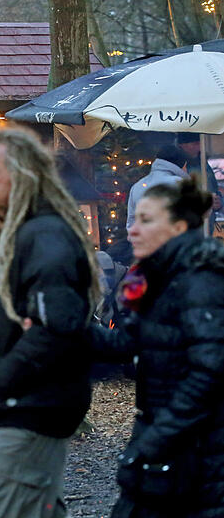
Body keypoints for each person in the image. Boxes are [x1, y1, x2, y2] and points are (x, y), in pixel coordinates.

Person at [0, 127, 100, 518]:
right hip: (25, 409)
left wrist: (0, 382)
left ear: (23, 174)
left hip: (33, 411)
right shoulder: (18, 233)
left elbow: (55, 327)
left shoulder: (45, 236)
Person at [89, 175, 224, 518]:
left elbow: (209, 372)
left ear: (178, 228)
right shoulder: (152, 278)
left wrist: (158, 436)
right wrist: (65, 330)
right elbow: (127, 344)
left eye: (146, 221)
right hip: (166, 446)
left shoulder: (200, 279)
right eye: (135, 219)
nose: (132, 230)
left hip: (197, 452)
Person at [126, 145, 189, 230]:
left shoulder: (137, 187)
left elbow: (131, 224)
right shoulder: (181, 184)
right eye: (185, 166)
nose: (186, 170)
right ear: (179, 166)